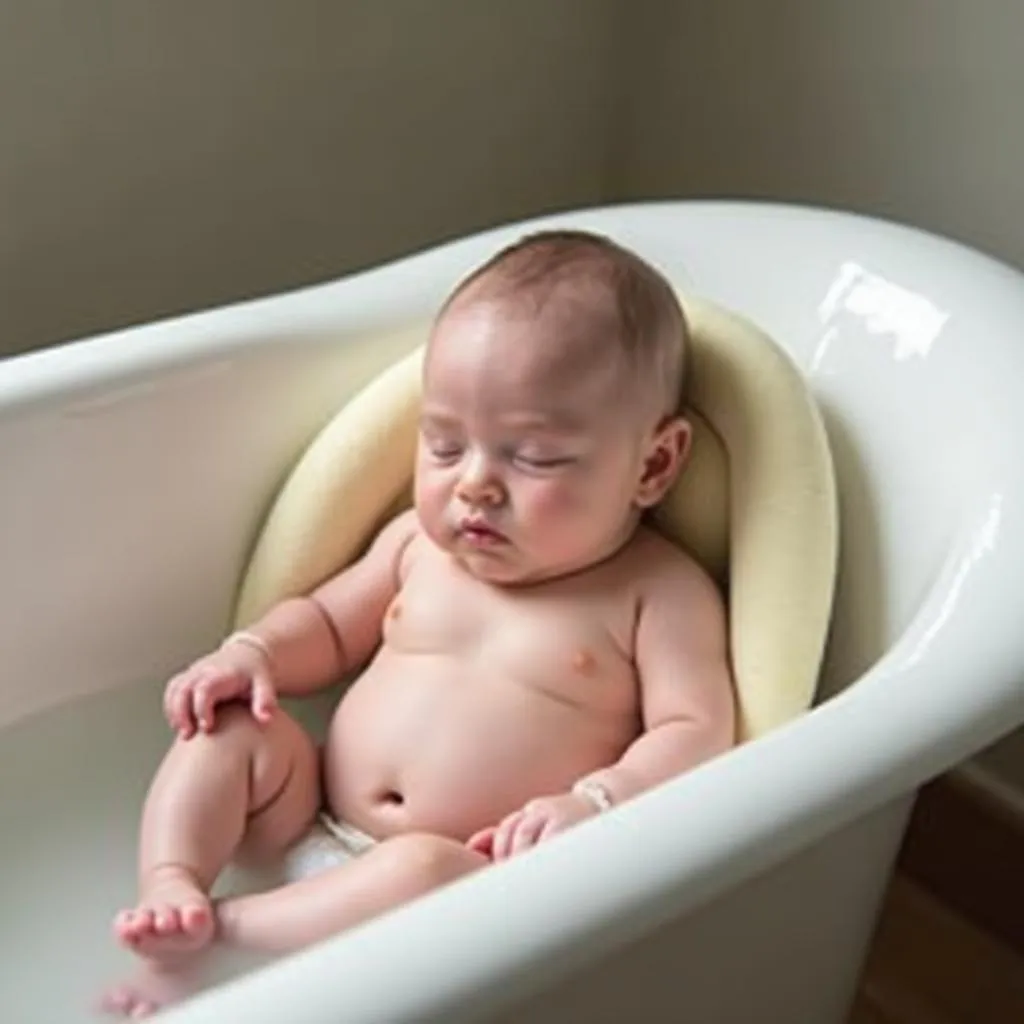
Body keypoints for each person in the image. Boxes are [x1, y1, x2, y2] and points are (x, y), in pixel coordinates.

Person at [100, 229, 736, 1017]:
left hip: (452, 886)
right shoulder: (416, 544)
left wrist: (598, 802)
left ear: (652, 466)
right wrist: (254, 652)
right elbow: (330, 626)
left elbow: (697, 727)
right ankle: (174, 885)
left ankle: (223, 937)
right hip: (306, 814)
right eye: (444, 445)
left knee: (422, 868)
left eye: (532, 457)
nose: (475, 486)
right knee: (230, 732)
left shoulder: (657, 593)